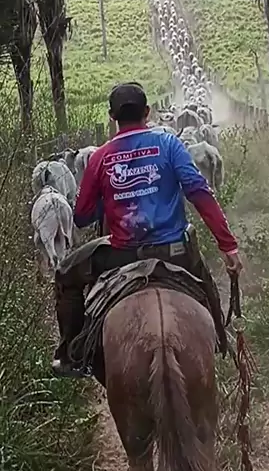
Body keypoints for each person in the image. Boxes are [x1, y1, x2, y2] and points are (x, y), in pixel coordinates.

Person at [52, 81, 242, 378]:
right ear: (148, 112)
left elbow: (81, 216)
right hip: (175, 251)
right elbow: (199, 192)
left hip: (120, 255)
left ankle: (71, 355)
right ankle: (219, 336)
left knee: (65, 273)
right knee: (204, 279)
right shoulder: (169, 145)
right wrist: (227, 245)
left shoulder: (100, 157)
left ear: (112, 117)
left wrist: (112, 196)